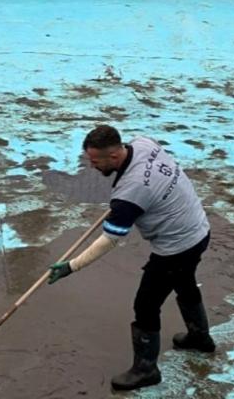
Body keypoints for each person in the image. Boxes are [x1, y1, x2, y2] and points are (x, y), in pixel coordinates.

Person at [46, 125, 214, 391]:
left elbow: (109, 240)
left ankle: (146, 370)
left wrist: (71, 266)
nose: (92, 166)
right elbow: (147, 180)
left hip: (177, 245)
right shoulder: (143, 143)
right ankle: (200, 338)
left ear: (114, 156)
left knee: (146, 305)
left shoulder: (130, 194)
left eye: (95, 161)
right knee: (185, 282)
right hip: (198, 228)